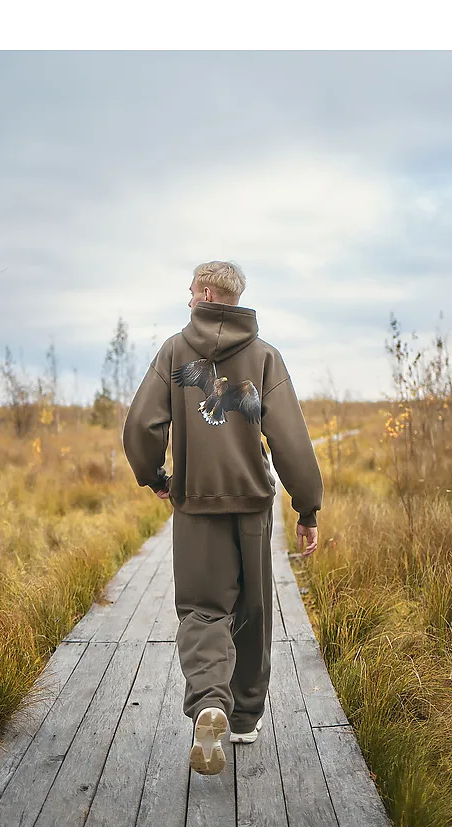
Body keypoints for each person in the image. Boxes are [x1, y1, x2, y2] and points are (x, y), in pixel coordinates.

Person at [122, 260, 323, 776]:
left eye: (191, 289)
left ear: (207, 292)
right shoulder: (264, 356)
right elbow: (292, 442)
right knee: (253, 612)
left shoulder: (174, 351)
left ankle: (210, 700)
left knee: (203, 609)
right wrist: (307, 506)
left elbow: (142, 427)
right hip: (254, 503)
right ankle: (244, 718)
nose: (187, 297)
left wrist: (157, 478)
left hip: (195, 503)